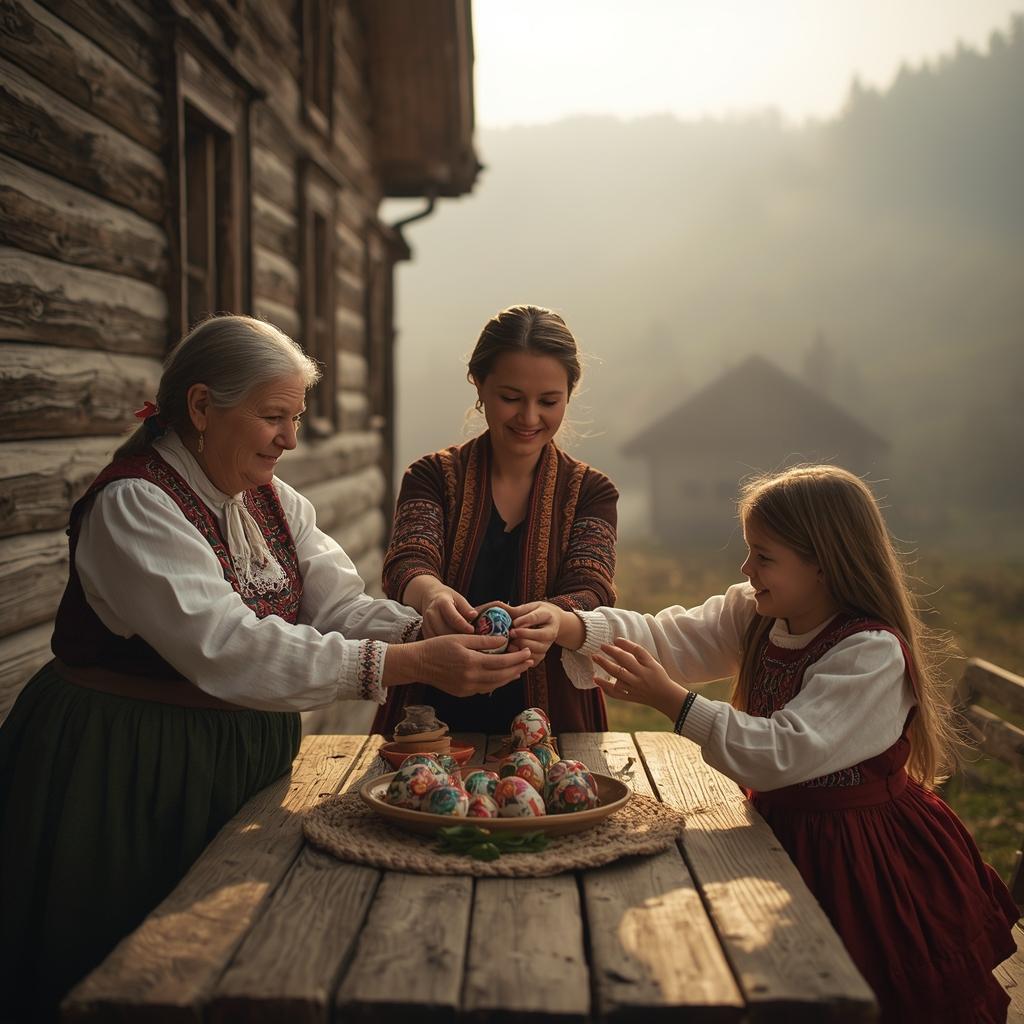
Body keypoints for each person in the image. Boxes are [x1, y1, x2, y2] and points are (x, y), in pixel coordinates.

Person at [0, 315, 532, 1016]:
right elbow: (232, 647)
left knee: (227, 958)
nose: (290, 437)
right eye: (273, 417)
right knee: (129, 969)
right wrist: (406, 662)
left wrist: (430, 624)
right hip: (128, 764)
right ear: (200, 408)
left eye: (297, 417)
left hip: (233, 757)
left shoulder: (272, 501)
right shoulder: (135, 506)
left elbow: (335, 604)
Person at [515, 465, 1019, 1024]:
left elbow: (783, 753)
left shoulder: (869, 653)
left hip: (864, 858)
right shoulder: (758, 612)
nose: (746, 568)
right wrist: (569, 625)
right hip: (780, 833)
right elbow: (668, 636)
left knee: (859, 996)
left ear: (822, 563)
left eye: (764, 556)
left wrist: (674, 703)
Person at [373, 304, 618, 738]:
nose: (528, 418)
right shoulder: (431, 476)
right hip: (432, 711)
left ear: (569, 393)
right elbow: (408, 562)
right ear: (479, 385)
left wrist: (554, 617)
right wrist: (432, 597)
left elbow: (592, 588)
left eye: (548, 401)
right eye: (510, 398)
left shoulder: (591, 492)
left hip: (555, 717)